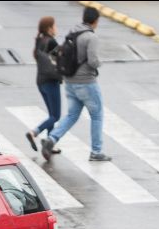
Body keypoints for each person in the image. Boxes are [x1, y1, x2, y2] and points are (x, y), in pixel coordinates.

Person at [41, 7, 111, 162]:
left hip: (70, 82)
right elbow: (93, 61)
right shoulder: (91, 37)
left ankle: (51, 139)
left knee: (72, 115)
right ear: (95, 21)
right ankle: (96, 151)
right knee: (97, 115)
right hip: (86, 82)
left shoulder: (73, 31)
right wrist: (100, 62)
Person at [26, 16, 63, 155]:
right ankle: (34, 132)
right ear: (49, 28)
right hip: (51, 81)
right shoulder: (51, 42)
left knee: (51, 115)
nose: (56, 28)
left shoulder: (40, 40)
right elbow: (59, 61)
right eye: (55, 25)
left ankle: (50, 143)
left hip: (40, 82)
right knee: (56, 116)